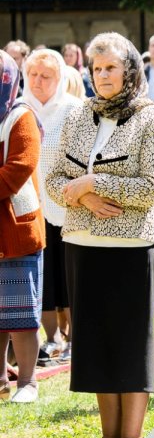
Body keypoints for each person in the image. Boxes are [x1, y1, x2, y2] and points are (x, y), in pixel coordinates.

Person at [46, 33, 154, 438]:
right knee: (95, 340)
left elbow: (153, 187)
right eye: (97, 69)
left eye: (111, 68)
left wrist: (94, 182)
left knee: (130, 341)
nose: (102, 76)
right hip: (80, 242)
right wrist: (80, 193)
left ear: (130, 70)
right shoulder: (80, 113)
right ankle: (108, 435)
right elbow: (53, 179)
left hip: (130, 247)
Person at [19, 50, 82, 363]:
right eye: (32, 74)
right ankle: (51, 338)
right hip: (29, 208)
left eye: (46, 76)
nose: (38, 81)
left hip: (67, 207)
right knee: (42, 280)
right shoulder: (18, 109)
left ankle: (74, 339)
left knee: (68, 275)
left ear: (60, 79)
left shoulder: (74, 109)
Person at [0, 50, 46, 402]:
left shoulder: (19, 116)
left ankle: (27, 381)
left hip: (16, 227)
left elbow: (19, 168)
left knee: (20, 311)